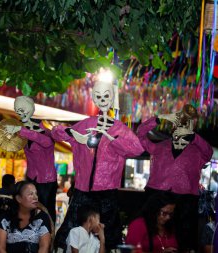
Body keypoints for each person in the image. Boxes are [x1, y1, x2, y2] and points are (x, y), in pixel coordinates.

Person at [52, 79, 144, 250]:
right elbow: (57, 132)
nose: (102, 100)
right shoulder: (86, 124)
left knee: (108, 232)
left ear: (111, 99)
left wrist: (110, 138)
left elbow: (137, 149)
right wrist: (75, 134)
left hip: (107, 189)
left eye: (106, 96)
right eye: (98, 96)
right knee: (72, 228)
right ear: (94, 99)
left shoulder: (119, 128)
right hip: (83, 189)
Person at [137, 105, 213, 252]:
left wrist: (193, 136)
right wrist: (160, 118)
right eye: (181, 121)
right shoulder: (159, 147)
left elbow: (209, 152)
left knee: (182, 239)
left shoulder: (198, 152)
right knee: (152, 233)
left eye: (188, 122)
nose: (183, 125)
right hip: (157, 196)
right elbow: (140, 135)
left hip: (185, 201)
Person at [5, 96, 58, 223]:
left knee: (46, 211)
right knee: (27, 209)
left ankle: (49, 237)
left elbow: (46, 142)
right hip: (31, 177)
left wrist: (22, 130)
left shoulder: (46, 132)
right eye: (18, 111)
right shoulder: (23, 132)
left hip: (46, 180)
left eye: (23, 110)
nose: (20, 113)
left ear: (31, 109)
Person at [0, 181, 52, 253]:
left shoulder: (42, 218)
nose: (35, 197)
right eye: (31, 194)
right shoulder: (5, 219)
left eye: (36, 193)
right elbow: (0, 248)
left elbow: (44, 247)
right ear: (18, 198)